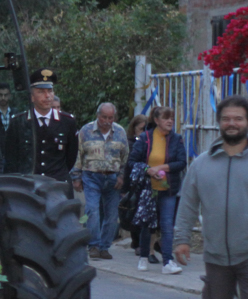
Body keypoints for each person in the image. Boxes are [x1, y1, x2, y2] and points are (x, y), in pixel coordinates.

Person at [174, 95, 248, 299]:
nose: (232, 123)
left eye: (238, 118)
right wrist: (181, 239)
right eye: (227, 119)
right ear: (219, 123)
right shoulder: (202, 164)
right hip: (216, 252)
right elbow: (188, 204)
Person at [127, 105, 186, 274]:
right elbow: (132, 161)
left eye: (172, 118)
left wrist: (162, 167)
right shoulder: (145, 138)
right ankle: (143, 257)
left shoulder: (176, 139)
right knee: (147, 224)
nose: (170, 121)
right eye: (166, 118)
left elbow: (181, 162)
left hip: (168, 189)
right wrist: (148, 170)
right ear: (157, 120)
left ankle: (167, 262)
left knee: (167, 225)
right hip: (148, 189)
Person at [72, 103, 129, 260]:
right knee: (92, 210)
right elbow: (77, 155)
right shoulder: (86, 131)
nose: (107, 121)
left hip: (113, 178)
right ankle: (94, 245)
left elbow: (125, 157)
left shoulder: (120, 132)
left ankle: (105, 247)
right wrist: (76, 176)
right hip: (91, 176)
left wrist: (122, 176)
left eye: (110, 118)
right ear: (98, 116)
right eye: (104, 117)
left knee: (111, 215)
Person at [4, 69, 78, 182]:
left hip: (57, 183)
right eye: (41, 92)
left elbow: (71, 156)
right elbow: (11, 158)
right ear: (32, 97)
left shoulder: (67, 121)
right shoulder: (18, 122)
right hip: (29, 184)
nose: (47, 96)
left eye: (50, 91)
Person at [123, 114, 149, 253]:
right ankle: (136, 242)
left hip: (148, 180)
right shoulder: (130, 143)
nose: (144, 132)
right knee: (134, 210)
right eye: (141, 129)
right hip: (134, 182)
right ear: (134, 129)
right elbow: (128, 165)